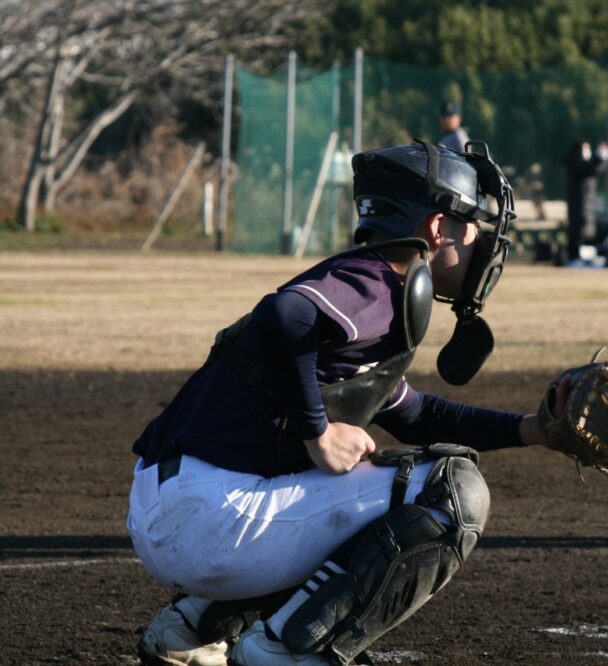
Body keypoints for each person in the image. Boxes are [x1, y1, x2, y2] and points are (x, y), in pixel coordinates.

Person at [128, 141, 560, 666]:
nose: (480, 240)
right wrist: (318, 432)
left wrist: (535, 429)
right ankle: (287, 649)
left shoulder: (361, 280)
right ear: (435, 228)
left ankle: (194, 622)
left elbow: (416, 413)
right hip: (212, 520)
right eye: (471, 224)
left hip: (179, 508)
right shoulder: (381, 281)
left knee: (372, 480)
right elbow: (288, 314)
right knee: (452, 490)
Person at [562, 139, 608, 261]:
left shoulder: (576, 165)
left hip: (582, 207)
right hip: (580, 208)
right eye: (586, 149)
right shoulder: (577, 165)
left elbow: (592, 168)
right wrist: (600, 158)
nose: (588, 152)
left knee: (580, 234)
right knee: (579, 234)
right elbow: (593, 168)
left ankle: (576, 257)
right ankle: (575, 258)